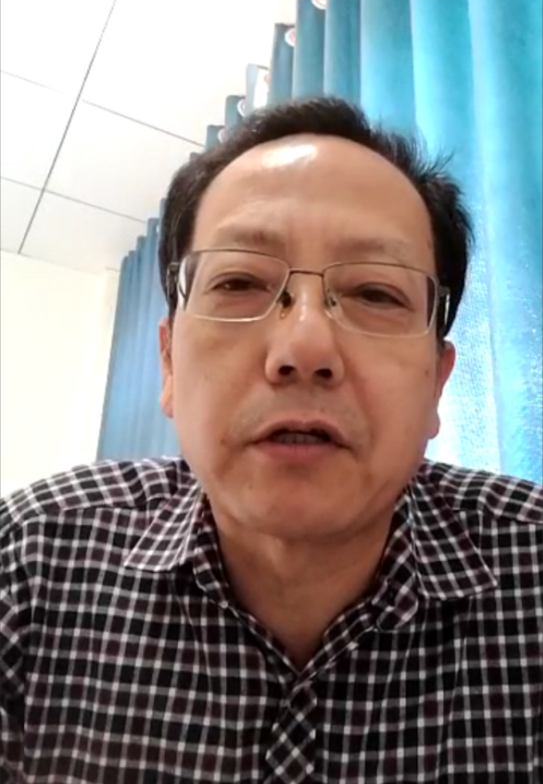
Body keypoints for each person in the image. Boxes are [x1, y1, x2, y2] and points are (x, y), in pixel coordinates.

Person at [1, 98, 541, 784]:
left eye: (375, 293)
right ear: (169, 365)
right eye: (240, 282)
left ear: (436, 383)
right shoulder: (29, 560)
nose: (304, 348)